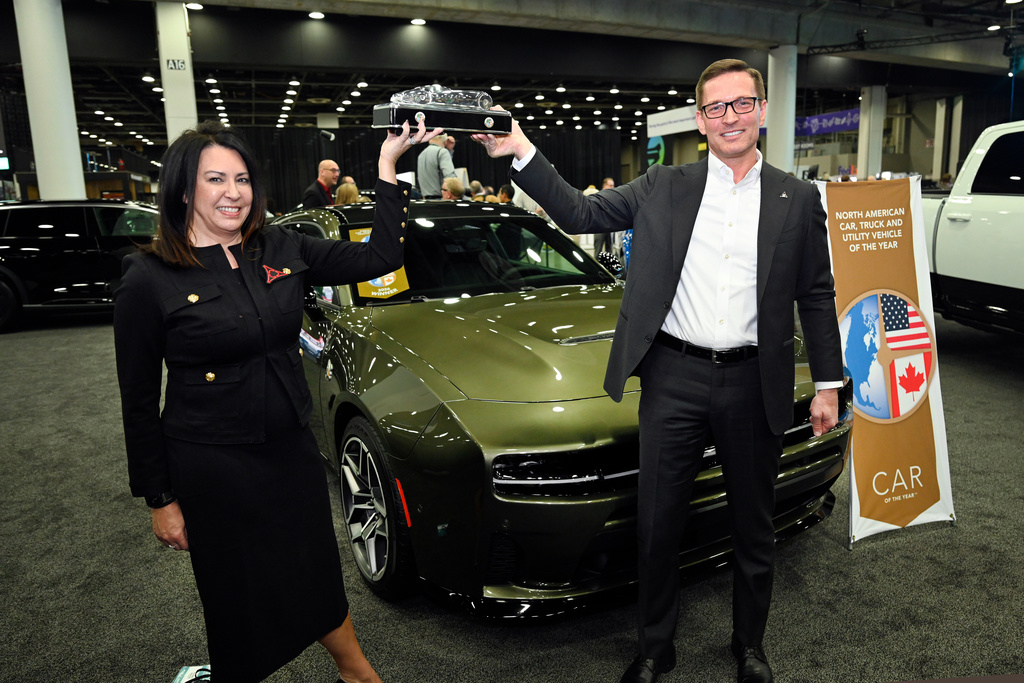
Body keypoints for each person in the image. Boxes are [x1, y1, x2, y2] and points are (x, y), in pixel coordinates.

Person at [474, 58, 843, 683]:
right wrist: (520, 149)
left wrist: (829, 384)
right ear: (700, 120)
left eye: (741, 103)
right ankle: (653, 648)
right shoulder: (663, 186)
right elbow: (581, 215)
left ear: (762, 110)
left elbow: (816, 292)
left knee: (754, 527)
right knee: (657, 527)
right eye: (717, 107)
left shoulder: (797, 197)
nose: (730, 116)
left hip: (757, 384)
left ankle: (750, 647)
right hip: (674, 378)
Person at [114, 117, 441, 683]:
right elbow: (138, 400)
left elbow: (380, 258)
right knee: (238, 591)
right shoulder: (147, 278)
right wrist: (159, 498)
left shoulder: (281, 245)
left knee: (313, 570)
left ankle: (356, 671)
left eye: (242, 179)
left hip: (290, 451)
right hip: (214, 465)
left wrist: (388, 167)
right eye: (215, 179)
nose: (233, 192)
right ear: (183, 188)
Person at [416, 132, 457, 198]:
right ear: (445, 141)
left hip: (425, 199)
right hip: (440, 199)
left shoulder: (421, 155)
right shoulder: (442, 152)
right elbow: (450, 178)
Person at [593, 177, 617, 254]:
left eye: (613, 186)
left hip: (610, 228)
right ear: (605, 185)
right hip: (599, 227)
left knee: (609, 251)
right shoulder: (597, 196)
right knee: (598, 251)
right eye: (610, 185)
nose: (612, 188)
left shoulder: (613, 197)